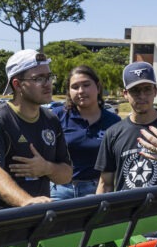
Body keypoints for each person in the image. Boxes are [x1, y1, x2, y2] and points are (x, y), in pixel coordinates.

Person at [0, 49, 72, 211]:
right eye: (38, 78)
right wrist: (27, 202)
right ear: (17, 84)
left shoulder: (51, 119)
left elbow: (67, 174)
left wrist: (47, 168)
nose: (47, 84)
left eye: (49, 77)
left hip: (36, 220)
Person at [96, 62, 157, 192]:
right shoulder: (113, 133)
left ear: (155, 91)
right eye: (135, 90)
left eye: (147, 89)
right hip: (125, 210)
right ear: (125, 93)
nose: (142, 96)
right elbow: (105, 184)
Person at [50, 65, 121, 200]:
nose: (81, 91)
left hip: (97, 190)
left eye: (86, 85)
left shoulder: (114, 122)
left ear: (98, 87)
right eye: (75, 87)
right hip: (60, 191)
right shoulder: (56, 117)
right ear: (69, 91)